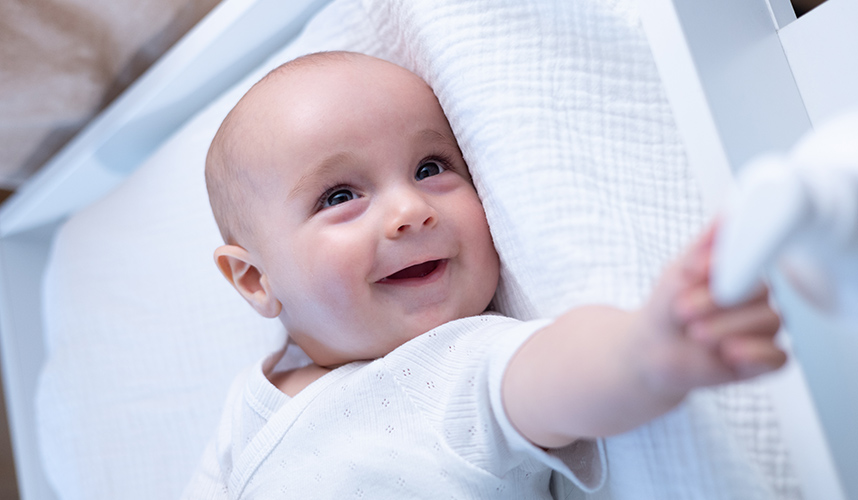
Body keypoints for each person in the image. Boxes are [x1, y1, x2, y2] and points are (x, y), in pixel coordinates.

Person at [183, 51, 785, 499]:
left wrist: (643, 348)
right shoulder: (251, 402)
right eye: (341, 194)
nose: (409, 210)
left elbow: (552, 372)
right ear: (255, 280)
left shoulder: (454, 364)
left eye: (430, 167)